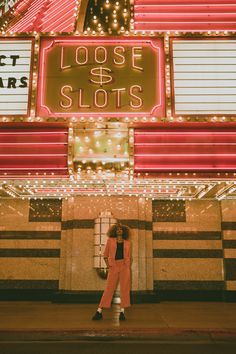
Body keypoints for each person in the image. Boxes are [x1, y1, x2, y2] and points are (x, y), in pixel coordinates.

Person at [92, 222, 131, 321]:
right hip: (114, 266)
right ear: (114, 231)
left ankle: (122, 312)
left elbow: (129, 256)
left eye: (121, 229)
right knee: (109, 289)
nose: (119, 230)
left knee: (124, 289)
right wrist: (109, 266)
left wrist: (127, 265)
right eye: (117, 229)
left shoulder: (128, 243)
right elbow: (105, 255)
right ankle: (99, 311)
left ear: (123, 231)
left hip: (124, 267)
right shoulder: (110, 241)